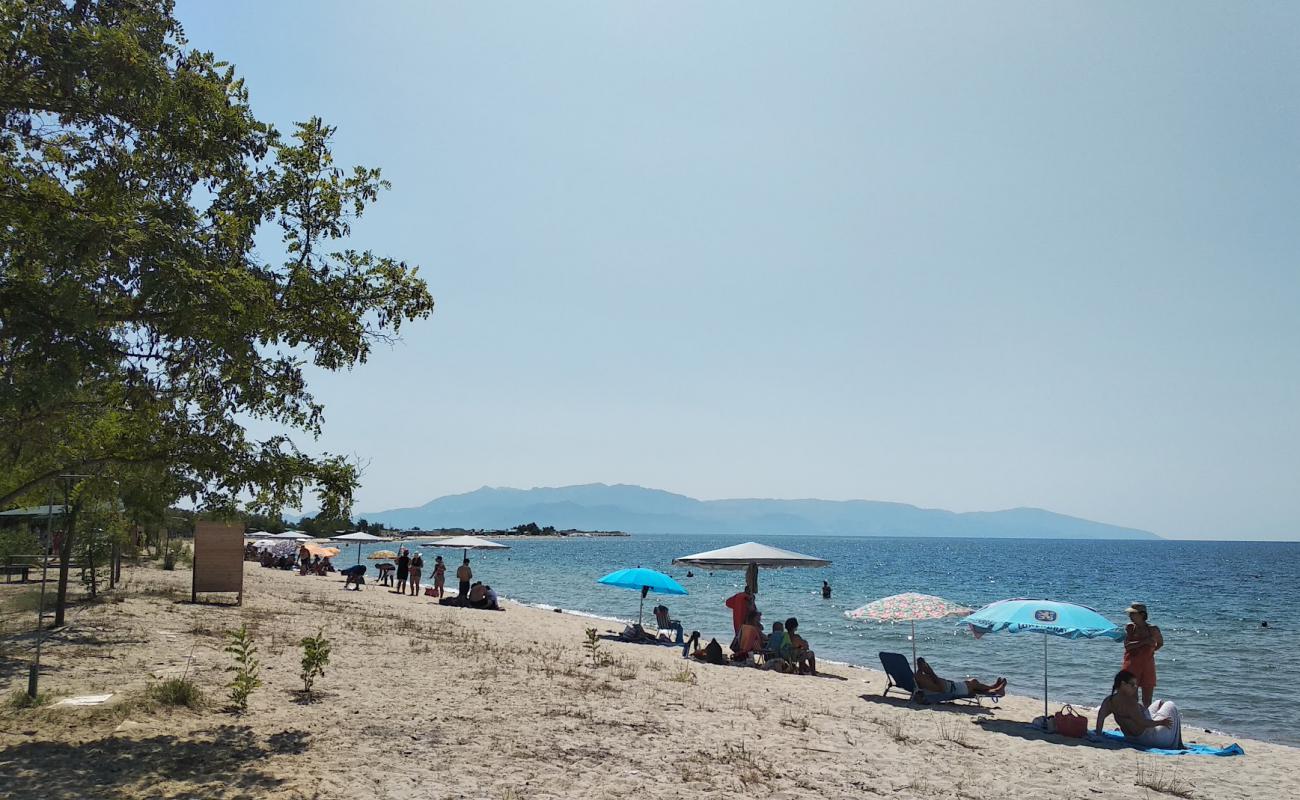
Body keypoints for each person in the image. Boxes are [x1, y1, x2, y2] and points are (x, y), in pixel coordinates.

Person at [1095, 669, 1183, 749]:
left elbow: (1100, 717)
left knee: (1159, 703)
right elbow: (1143, 723)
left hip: (1131, 738)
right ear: (1123, 684)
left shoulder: (1109, 701)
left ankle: (1156, 717)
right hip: (1151, 739)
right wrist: (1161, 722)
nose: (1135, 688)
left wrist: (1098, 735)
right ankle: (1179, 744)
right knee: (1170, 704)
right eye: (1132, 685)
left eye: (1136, 685)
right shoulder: (1130, 703)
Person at [1122, 602, 1163, 707]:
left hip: (1147, 665)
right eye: (1130, 613)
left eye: (1133, 613)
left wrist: (1151, 650)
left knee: (1147, 699)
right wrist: (1144, 642)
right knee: (1132, 697)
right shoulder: (1130, 627)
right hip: (1131, 664)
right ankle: (1133, 719)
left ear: (1142, 615)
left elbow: (1160, 643)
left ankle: (1145, 719)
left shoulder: (1153, 629)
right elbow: (1127, 646)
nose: (1130, 616)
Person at [913, 657, 1005, 697]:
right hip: (953, 690)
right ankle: (994, 688)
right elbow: (941, 690)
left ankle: (994, 688)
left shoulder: (919, 676)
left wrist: (924, 669)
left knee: (974, 685)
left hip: (952, 686)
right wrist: (931, 672)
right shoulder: (922, 678)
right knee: (973, 682)